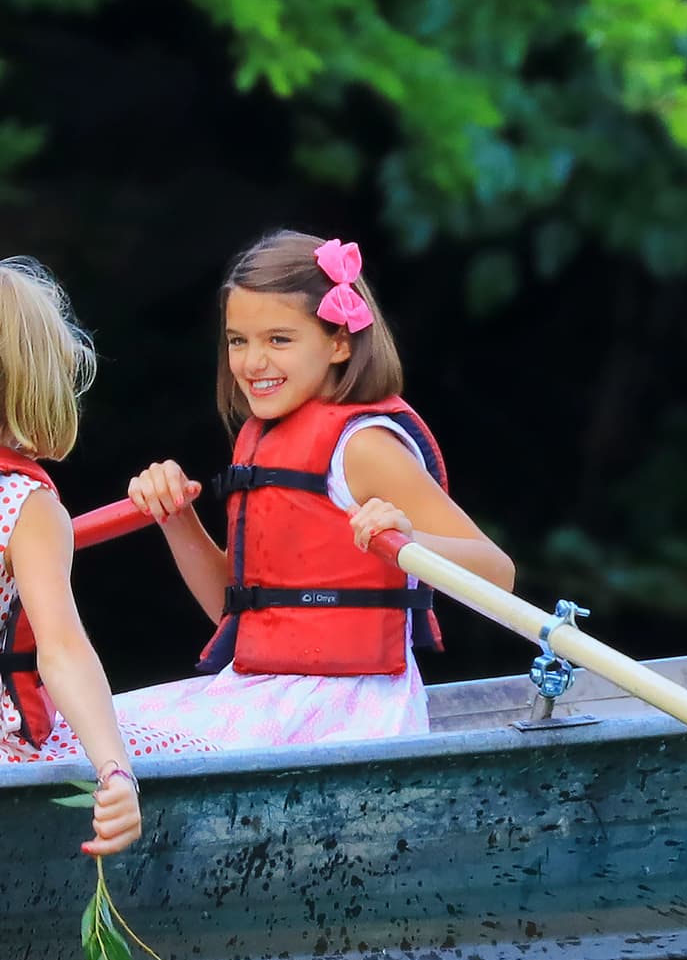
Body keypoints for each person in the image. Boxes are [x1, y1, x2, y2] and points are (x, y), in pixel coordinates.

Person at [117, 230, 515, 746]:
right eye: (238, 340)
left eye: (278, 340)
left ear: (339, 342)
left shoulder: (364, 446)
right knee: (80, 731)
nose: (252, 362)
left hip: (351, 707)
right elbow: (233, 612)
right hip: (266, 693)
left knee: (106, 747)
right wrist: (175, 517)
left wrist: (410, 541)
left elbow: (498, 574)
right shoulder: (263, 441)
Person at [0, 258, 213, 854]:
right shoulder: (23, 503)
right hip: (9, 748)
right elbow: (61, 650)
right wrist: (114, 770)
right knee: (197, 753)